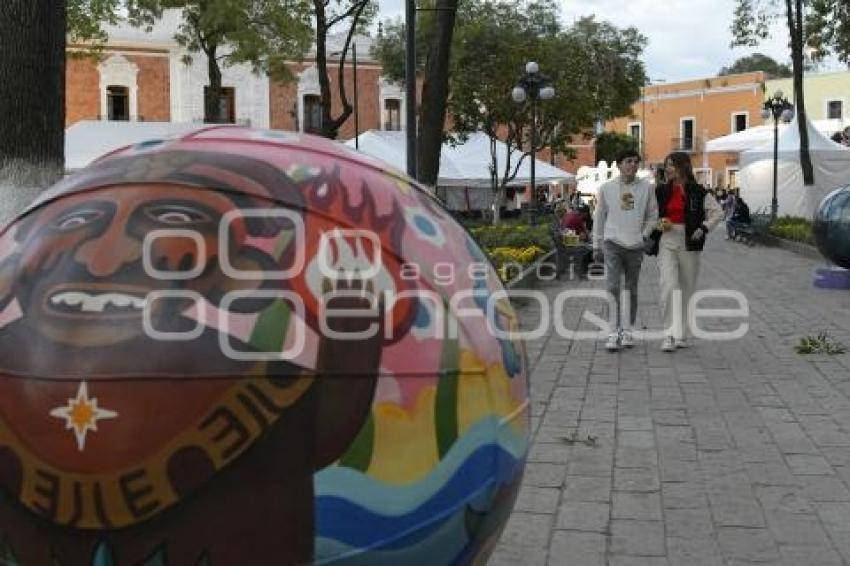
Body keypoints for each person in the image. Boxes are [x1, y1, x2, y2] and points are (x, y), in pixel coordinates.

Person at [655, 151, 724, 352]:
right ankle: (668, 334)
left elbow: (717, 213)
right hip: (666, 239)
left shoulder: (698, 191)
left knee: (687, 289)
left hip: (689, 242)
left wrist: (703, 228)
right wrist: (658, 224)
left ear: (683, 166)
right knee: (668, 286)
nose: (668, 169)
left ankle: (681, 333)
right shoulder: (660, 191)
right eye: (666, 165)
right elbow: (651, 215)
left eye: (672, 165)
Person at [592, 149, 659, 352]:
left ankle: (627, 329)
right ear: (619, 164)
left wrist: (645, 235)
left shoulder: (647, 188)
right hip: (612, 243)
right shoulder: (606, 188)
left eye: (635, 162)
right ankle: (613, 331)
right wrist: (597, 244)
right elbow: (599, 217)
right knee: (612, 287)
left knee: (631, 288)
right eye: (628, 161)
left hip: (635, 245)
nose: (632, 165)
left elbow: (653, 215)